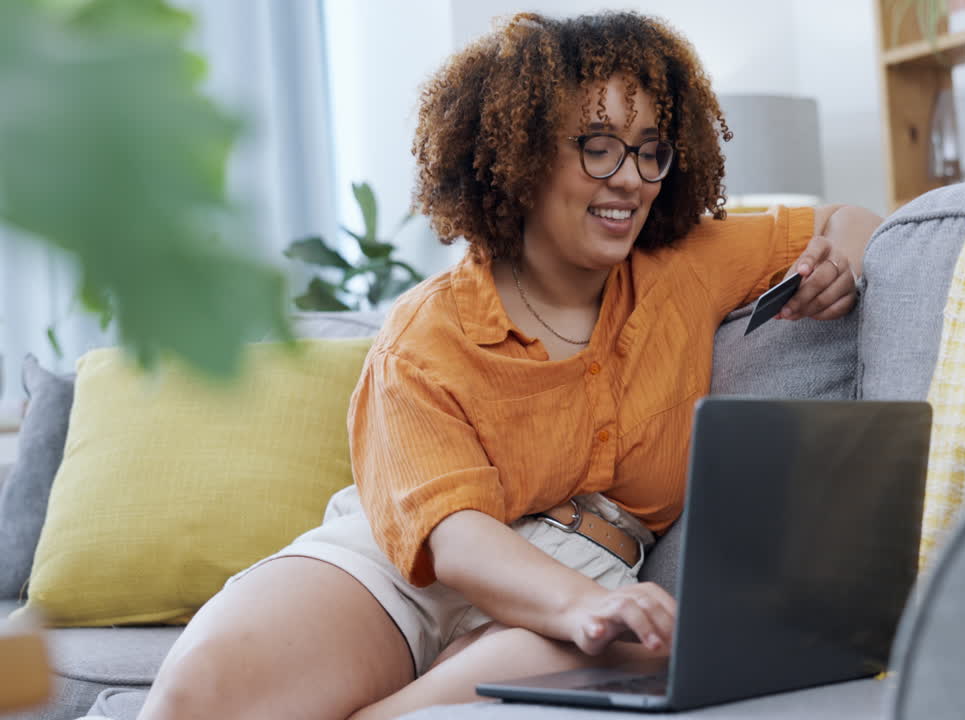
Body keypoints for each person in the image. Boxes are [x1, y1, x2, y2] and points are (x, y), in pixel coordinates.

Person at [138, 11, 881, 720]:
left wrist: (838, 263)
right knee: (199, 695)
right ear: (519, 156)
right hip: (406, 568)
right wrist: (583, 606)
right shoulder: (425, 334)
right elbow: (454, 537)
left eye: (650, 149)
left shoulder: (687, 263)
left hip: (583, 587)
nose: (630, 178)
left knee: (626, 654)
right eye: (598, 145)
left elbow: (856, 220)